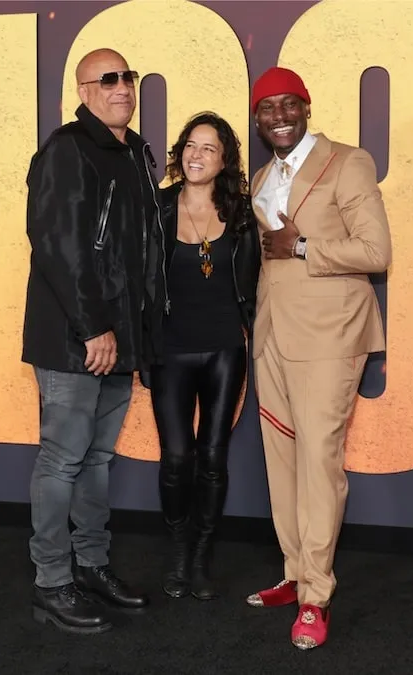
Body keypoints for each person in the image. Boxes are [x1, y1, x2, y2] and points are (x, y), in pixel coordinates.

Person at [243, 66, 392, 650]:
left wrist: (302, 245)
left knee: (320, 463)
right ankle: (294, 572)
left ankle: (317, 597)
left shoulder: (347, 162)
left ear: (306, 107)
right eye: (266, 109)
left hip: (330, 336)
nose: (278, 116)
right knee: (282, 459)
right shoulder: (262, 175)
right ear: (257, 119)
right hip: (273, 334)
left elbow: (376, 250)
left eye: (288, 105)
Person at [22, 47, 159, 634]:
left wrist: (132, 333)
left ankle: (92, 567)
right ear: (83, 92)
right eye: (107, 80)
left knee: (96, 460)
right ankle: (51, 583)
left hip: (117, 338)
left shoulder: (132, 154)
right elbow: (59, 247)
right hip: (77, 338)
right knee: (63, 460)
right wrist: (93, 327)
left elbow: (134, 253)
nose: (121, 87)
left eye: (127, 77)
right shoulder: (67, 150)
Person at [150, 112, 259, 601]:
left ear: (224, 160)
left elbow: (254, 286)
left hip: (224, 348)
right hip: (169, 349)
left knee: (212, 456)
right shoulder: (158, 207)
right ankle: (178, 548)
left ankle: (200, 557)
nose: (196, 155)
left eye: (208, 149)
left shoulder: (240, 213)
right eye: (190, 146)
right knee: (177, 457)